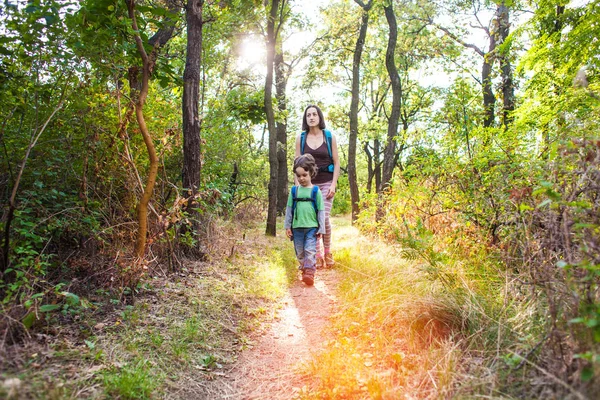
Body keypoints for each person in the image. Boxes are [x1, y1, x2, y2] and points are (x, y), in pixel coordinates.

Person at [295, 105, 340, 269]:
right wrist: (297, 188)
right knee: (313, 219)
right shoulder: (300, 138)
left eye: (314, 114)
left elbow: (336, 162)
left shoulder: (329, 136)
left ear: (319, 117)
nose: (312, 117)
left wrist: (334, 184)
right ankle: (318, 254)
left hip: (327, 182)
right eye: (308, 115)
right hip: (308, 185)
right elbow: (296, 165)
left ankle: (327, 252)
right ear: (305, 119)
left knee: (324, 217)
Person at [284, 154, 326, 286]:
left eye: (304, 175)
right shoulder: (294, 191)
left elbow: (321, 211)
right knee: (300, 252)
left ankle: (309, 272)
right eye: (298, 176)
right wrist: (287, 226)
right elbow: (289, 209)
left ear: (311, 173)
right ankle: (304, 268)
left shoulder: (315, 191)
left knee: (310, 250)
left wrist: (321, 228)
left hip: (311, 228)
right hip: (297, 228)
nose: (301, 178)